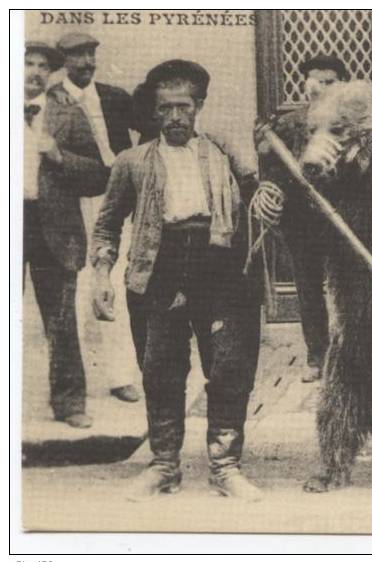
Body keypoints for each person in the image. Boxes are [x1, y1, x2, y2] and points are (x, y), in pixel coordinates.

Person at [91, 60, 263, 501]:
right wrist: (101, 274)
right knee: (161, 371)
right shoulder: (133, 163)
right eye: (164, 108)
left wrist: (268, 198)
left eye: (183, 107)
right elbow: (107, 225)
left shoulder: (224, 155)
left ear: (198, 106)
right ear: (154, 111)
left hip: (219, 269)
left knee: (228, 368)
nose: (174, 117)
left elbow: (258, 197)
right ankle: (164, 465)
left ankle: (225, 466)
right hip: (157, 270)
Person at [23, 41, 107, 429]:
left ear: (53, 73)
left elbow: (97, 176)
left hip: (53, 229)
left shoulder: (68, 114)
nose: (34, 72)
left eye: (43, 66)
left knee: (60, 319)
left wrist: (58, 156)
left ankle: (70, 402)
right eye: (27, 63)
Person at [54, 32, 141, 403]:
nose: (87, 63)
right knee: (74, 290)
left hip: (114, 200)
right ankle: (74, 385)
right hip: (72, 203)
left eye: (91, 55)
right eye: (78, 56)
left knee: (116, 281)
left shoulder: (114, 97)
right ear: (64, 62)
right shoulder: (50, 103)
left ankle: (122, 375)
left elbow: (147, 130)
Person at [254, 54, 350, 383]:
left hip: (342, 216)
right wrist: (274, 185)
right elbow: (272, 171)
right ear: (304, 83)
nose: (321, 87)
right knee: (308, 287)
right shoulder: (288, 123)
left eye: (330, 81)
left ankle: (350, 353)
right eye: (316, 80)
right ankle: (316, 354)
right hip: (301, 220)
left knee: (348, 286)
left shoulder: (349, 122)